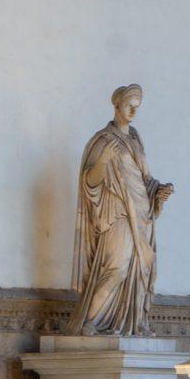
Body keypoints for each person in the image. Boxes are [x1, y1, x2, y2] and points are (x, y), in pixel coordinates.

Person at [70, 86, 173, 335]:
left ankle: (131, 324)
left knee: (137, 272)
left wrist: (159, 191)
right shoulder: (103, 141)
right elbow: (89, 182)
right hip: (118, 212)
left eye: (137, 106)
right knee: (117, 267)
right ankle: (90, 322)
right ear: (117, 106)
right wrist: (104, 159)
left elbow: (144, 179)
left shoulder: (135, 138)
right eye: (129, 105)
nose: (134, 111)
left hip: (141, 214)